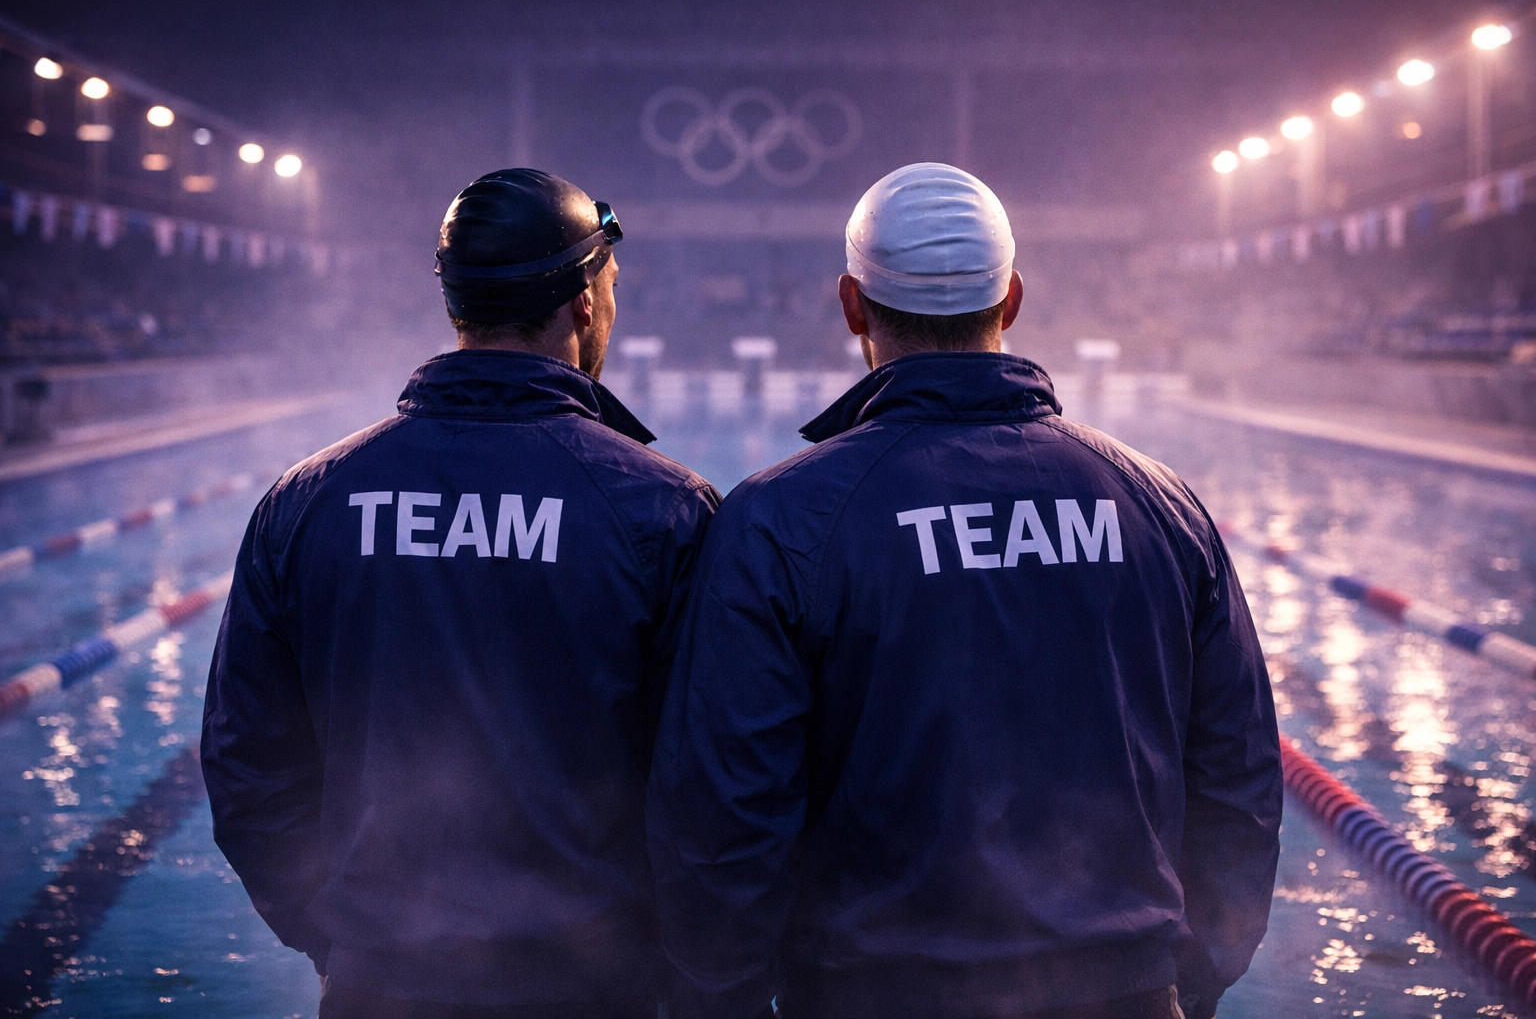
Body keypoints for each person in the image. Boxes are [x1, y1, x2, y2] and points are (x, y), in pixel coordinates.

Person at [646, 163, 1281, 1019]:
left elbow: (725, 814)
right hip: (1125, 990)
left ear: (852, 306)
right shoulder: (1158, 504)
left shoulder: (782, 519)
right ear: (1012, 297)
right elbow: (1239, 782)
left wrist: (724, 1000)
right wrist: (1185, 980)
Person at [203, 169, 720, 1019]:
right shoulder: (663, 510)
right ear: (585, 303)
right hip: (600, 982)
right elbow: (713, 781)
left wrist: (334, 937)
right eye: (613, 288)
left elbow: (245, 761)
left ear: (457, 304)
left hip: (381, 984)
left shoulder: (310, 500)